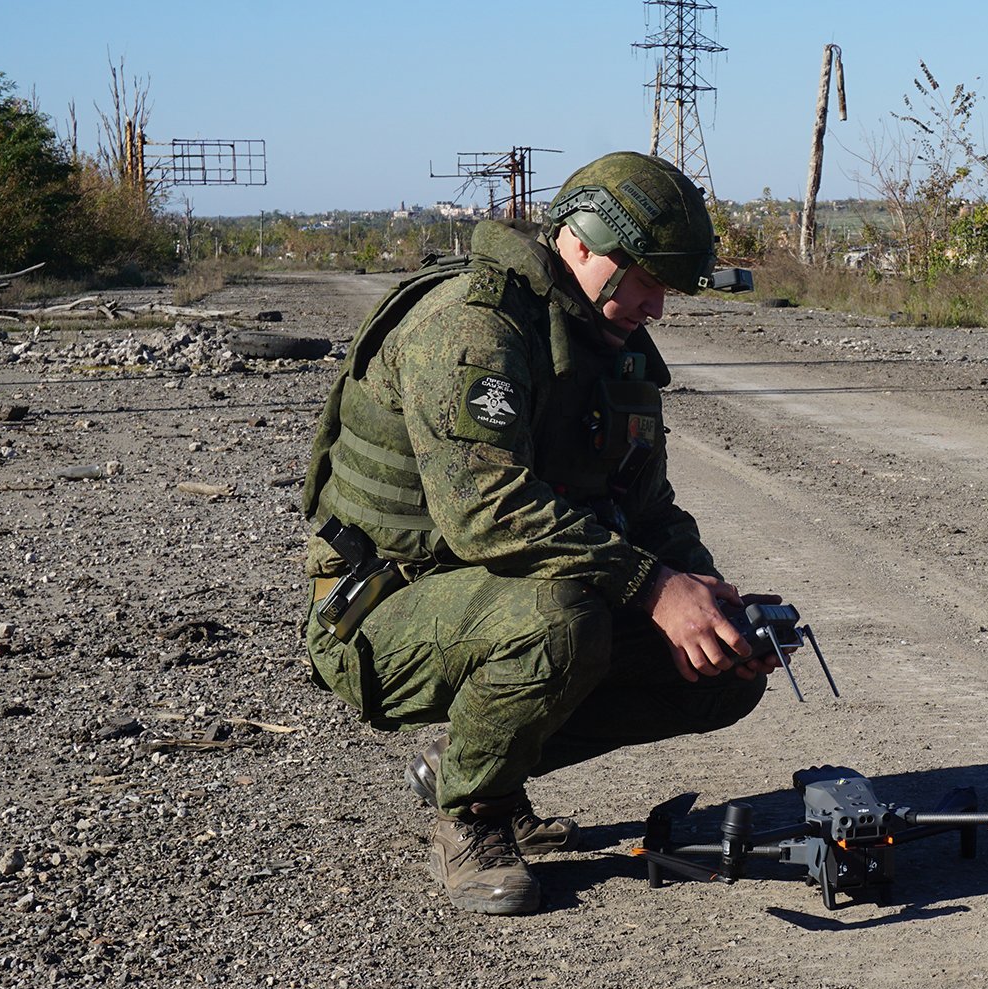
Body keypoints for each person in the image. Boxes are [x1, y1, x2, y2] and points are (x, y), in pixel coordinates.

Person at [300, 151, 775, 915]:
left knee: (715, 668)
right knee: (562, 620)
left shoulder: (607, 344)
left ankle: (472, 763)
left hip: (501, 596)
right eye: (645, 278)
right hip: (381, 606)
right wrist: (652, 585)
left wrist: (707, 595)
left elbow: (648, 508)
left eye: (668, 287)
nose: (657, 306)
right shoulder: (471, 327)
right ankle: (473, 817)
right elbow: (485, 510)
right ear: (580, 243)